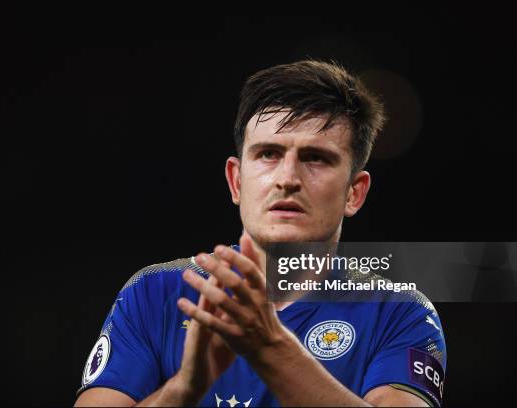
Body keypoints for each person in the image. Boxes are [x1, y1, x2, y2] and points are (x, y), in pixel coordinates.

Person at [74, 60, 447, 407]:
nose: (287, 179)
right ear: (236, 181)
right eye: (268, 154)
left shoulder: (400, 312)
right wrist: (185, 386)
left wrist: (269, 346)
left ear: (355, 192)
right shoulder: (154, 294)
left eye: (316, 158)